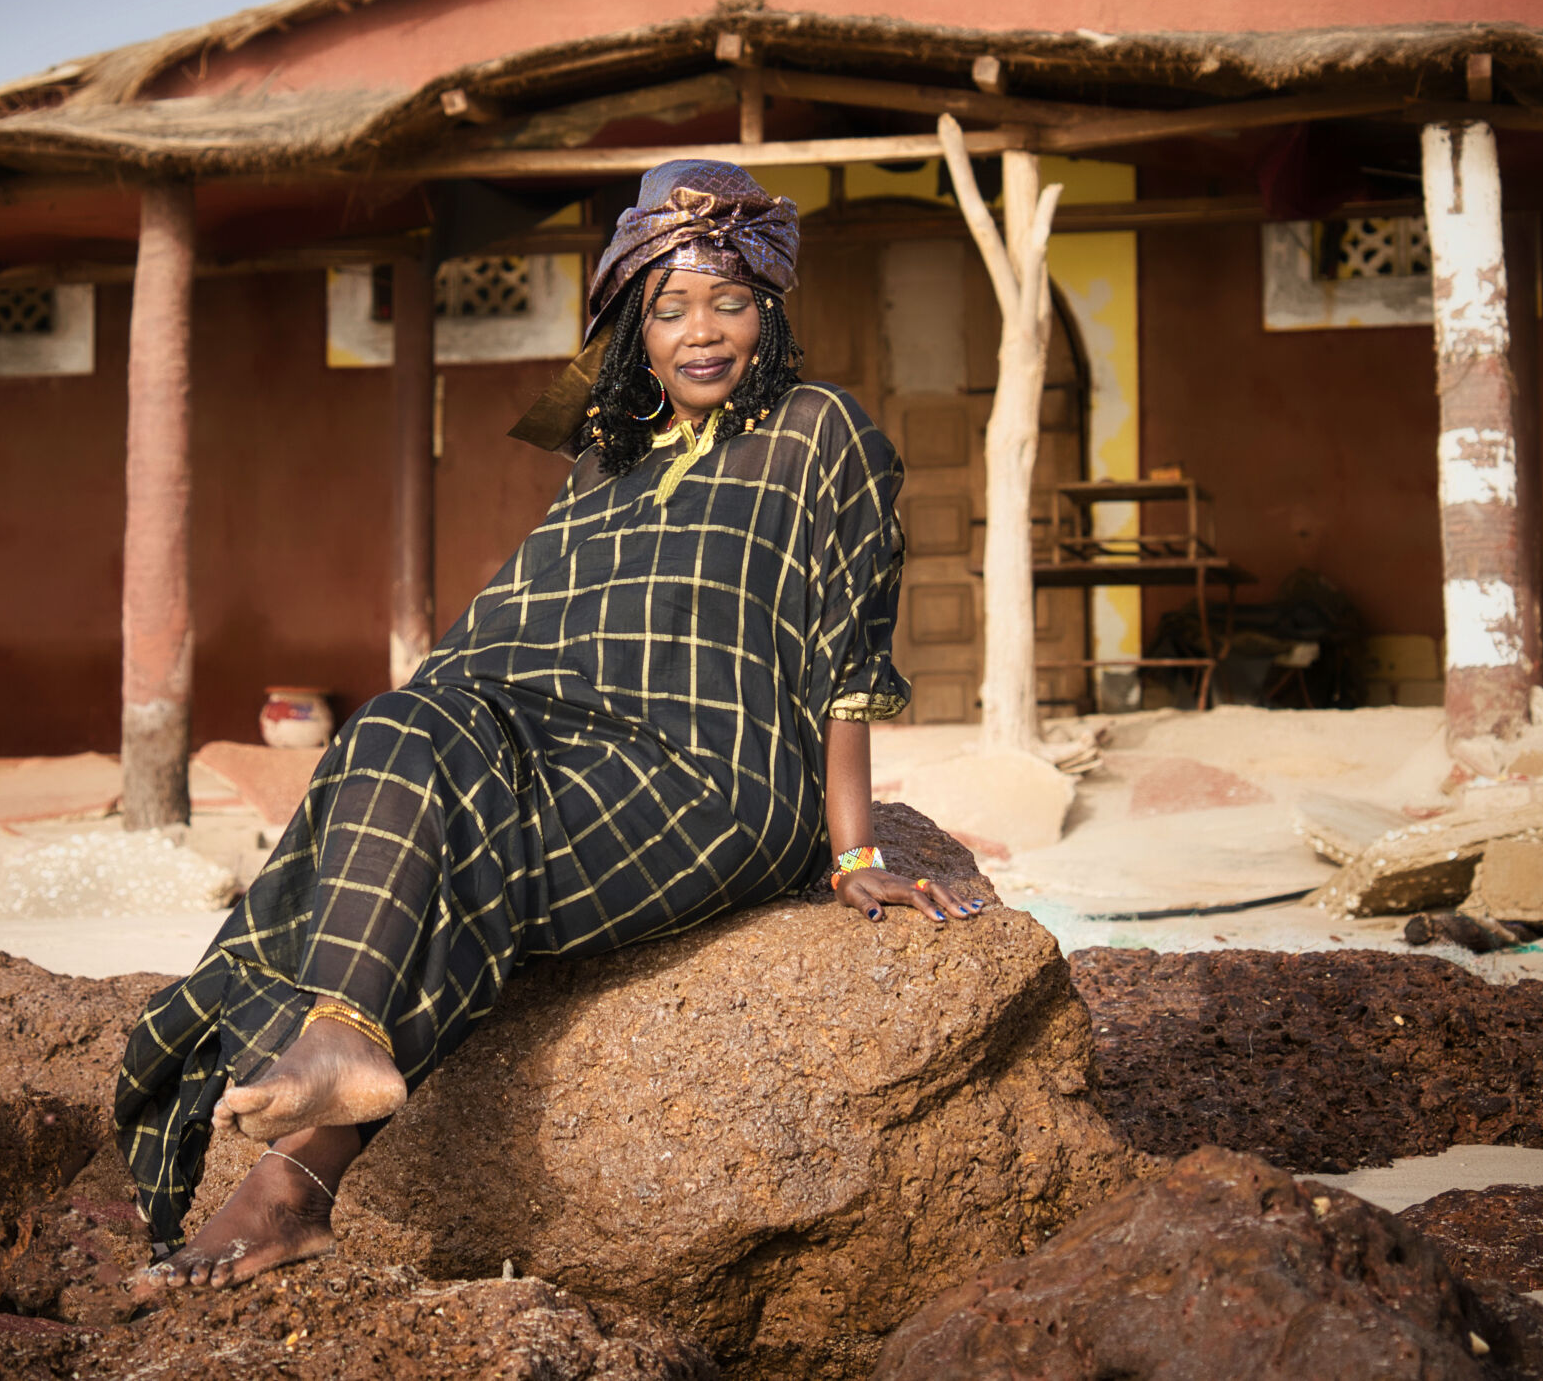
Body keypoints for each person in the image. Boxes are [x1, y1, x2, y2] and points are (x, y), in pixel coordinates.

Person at [116, 158, 983, 1292]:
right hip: (580, 741)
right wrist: (409, 757)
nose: (701, 332)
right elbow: (513, 629)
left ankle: (295, 1165)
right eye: (668, 308)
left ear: (769, 307)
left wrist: (857, 850)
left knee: (458, 819)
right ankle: (322, 1099)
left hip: (722, 774)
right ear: (635, 325)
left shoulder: (825, 432)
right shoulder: (605, 457)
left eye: (729, 299)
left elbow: (848, 653)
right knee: (398, 727)